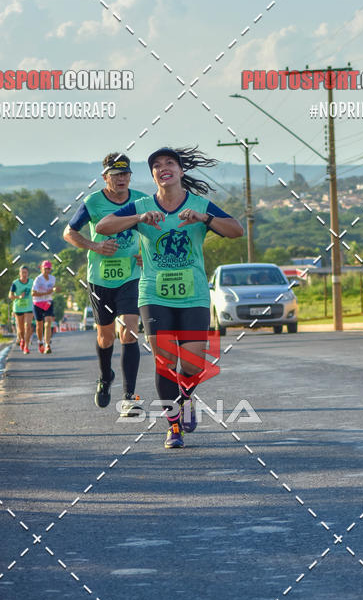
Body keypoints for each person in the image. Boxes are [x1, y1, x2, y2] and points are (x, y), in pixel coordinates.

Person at [96, 146, 243, 449]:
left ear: (180, 171)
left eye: (170, 163)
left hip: (195, 295)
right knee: (165, 361)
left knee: (193, 364)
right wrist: (139, 217)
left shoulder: (200, 204)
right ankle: (173, 426)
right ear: (153, 175)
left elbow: (236, 230)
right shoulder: (143, 204)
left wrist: (205, 218)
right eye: (157, 165)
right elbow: (103, 226)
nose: (164, 168)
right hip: (154, 294)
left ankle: (186, 396)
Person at [63, 153, 148, 415]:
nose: (121, 179)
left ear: (130, 176)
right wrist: (96, 246)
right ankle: (105, 376)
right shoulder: (93, 202)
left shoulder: (141, 201)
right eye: (115, 174)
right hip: (100, 278)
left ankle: (129, 396)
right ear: (105, 177)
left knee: (130, 332)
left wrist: (146, 252)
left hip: (131, 276)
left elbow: (157, 231)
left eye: (125, 174)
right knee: (105, 336)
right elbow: (69, 233)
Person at [32, 260, 58, 354]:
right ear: (41, 268)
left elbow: (53, 289)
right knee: (39, 325)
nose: (47, 270)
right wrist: (45, 293)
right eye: (45, 268)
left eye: (48, 269)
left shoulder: (53, 278)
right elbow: (33, 293)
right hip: (38, 303)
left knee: (48, 323)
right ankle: (40, 342)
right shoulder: (38, 279)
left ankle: (47, 345)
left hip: (48, 302)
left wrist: (55, 289)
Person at [9, 265, 33, 353]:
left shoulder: (31, 282)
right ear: (19, 273)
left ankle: (26, 346)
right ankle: (22, 339)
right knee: (21, 329)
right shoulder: (15, 283)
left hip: (28, 307)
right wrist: (18, 296)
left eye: (25, 272)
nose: (24, 274)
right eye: (22, 273)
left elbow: (36, 290)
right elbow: (10, 296)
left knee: (28, 326)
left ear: (28, 273)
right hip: (18, 308)